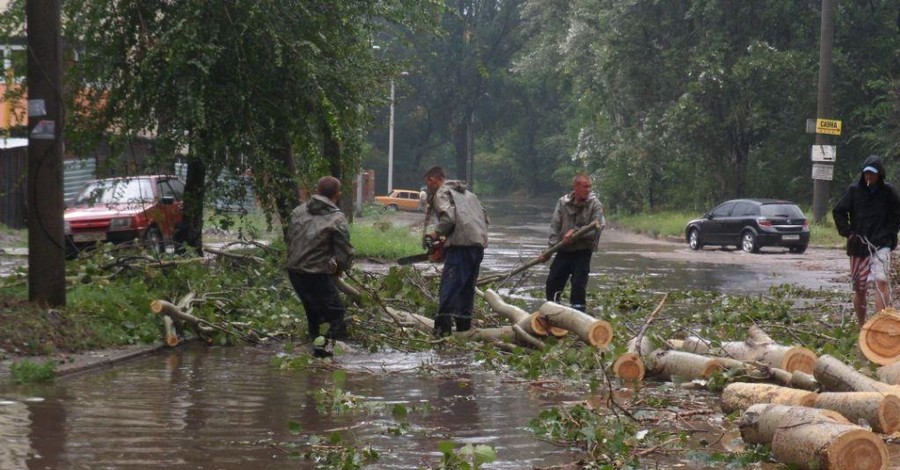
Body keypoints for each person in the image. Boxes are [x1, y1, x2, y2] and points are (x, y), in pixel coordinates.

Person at [285, 176, 354, 357]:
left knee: (314, 313)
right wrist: (338, 269)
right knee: (336, 314)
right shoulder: (337, 218)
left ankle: (315, 357)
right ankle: (338, 359)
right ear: (337, 194)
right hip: (316, 274)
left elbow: (290, 239)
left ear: (317, 191)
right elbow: (345, 253)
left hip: (294, 271)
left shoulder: (298, 211)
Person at [833, 155, 900, 328]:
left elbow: (896, 216)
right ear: (863, 173)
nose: (869, 177)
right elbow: (838, 211)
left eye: (873, 174)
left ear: (880, 175)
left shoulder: (889, 193)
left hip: (881, 245)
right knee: (860, 288)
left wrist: (890, 235)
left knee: (882, 282)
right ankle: (862, 326)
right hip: (859, 245)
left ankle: (881, 325)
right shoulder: (854, 191)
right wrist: (848, 233)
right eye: (866, 173)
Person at [423, 166, 489, 337]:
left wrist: (436, 234)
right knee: (466, 290)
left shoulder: (441, 193)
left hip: (461, 248)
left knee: (449, 289)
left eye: (428, 184)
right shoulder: (470, 195)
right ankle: (463, 333)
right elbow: (484, 219)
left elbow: (448, 218)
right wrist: (446, 244)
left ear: (433, 180)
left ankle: (441, 336)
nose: (428, 188)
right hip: (478, 246)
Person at [540, 174, 605, 313]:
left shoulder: (595, 205)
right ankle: (551, 312)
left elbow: (596, 230)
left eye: (590, 187)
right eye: (585, 186)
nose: (588, 190)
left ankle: (579, 316)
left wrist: (575, 233)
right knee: (553, 282)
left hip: (583, 251)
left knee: (578, 286)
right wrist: (549, 251)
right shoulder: (563, 202)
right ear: (575, 187)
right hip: (563, 249)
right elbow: (555, 226)